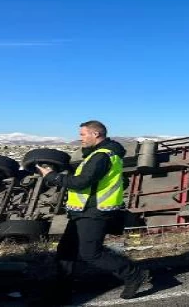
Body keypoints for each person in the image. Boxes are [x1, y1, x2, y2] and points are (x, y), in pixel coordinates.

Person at [37, 120, 151, 301]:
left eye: (82, 134)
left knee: (91, 253)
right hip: (82, 210)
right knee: (66, 250)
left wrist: (51, 177)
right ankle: (61, 290)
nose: (80, 138)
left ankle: (134, 274)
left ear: (95, 134)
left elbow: (82, 182)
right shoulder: (100, 155)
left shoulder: (101, 156)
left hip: (94, 211)